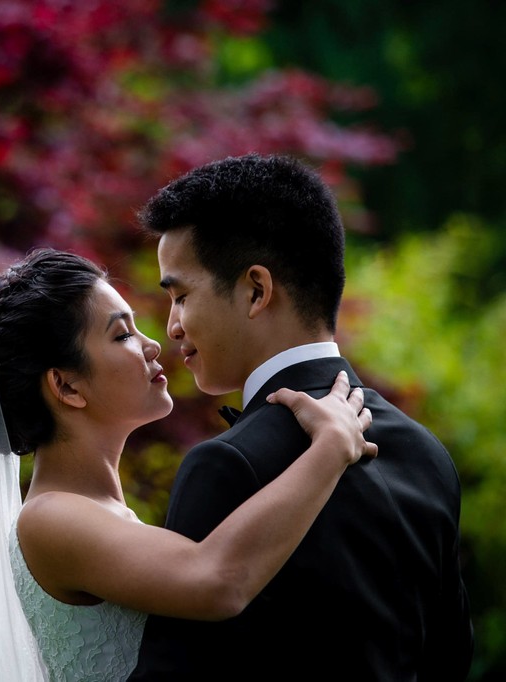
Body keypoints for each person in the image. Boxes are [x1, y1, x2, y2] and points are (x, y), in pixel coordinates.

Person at [0, 248, 377, 682]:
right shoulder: (50, 519)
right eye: (122, 334)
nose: (153, 344)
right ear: (67, 387)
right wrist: (330, 447)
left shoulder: (98, 513)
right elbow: (218, 582)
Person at [129, 153, 473, 681]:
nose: (172, 326)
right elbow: (449, 660)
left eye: (180, 295)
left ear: (256, 290)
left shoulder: (227, 464)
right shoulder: (427, 451)